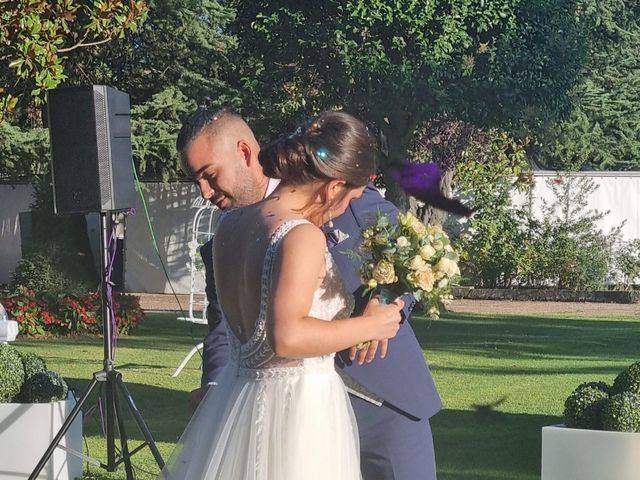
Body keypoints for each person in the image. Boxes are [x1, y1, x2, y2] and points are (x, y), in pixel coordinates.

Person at [180, 109, 442, 479]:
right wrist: (214, 385)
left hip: (384, 400)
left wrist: (387, 305)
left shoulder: (348, 193)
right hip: (290, 415)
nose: (205, 192)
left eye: (209, 175)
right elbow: (226, 326)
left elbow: (408, 253)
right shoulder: (248, 232)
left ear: (243, 152)